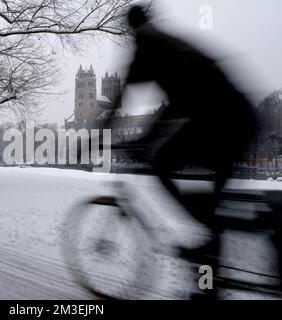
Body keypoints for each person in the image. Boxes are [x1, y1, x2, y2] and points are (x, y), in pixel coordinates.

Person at [103, 4, 258, 296]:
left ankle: (208, 241)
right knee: (214, 201)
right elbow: (179, 100)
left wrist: (99, 133)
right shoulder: (170, 44)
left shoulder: (148, 45)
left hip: (219, 119)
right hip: (239, 114)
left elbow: (129, 96)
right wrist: (150, 133)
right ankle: (210, 274)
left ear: (132, 27)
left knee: (161, 162)